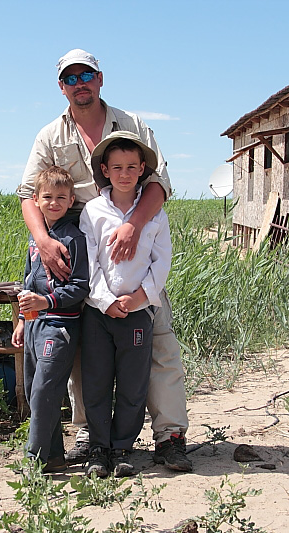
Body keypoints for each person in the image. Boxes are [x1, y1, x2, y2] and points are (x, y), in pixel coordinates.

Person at [17, 48, 192, 472]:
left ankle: (169, 435)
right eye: (70, 78)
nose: (80, 84)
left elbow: (159, 182)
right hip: (79, 247)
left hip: (135, 238)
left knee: (158, 342)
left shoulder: (131, 125)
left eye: (86, 75)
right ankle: (90, 435)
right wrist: (43, 240)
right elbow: (28, 194)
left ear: (100, 78)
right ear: (61, 87)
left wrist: (134, 225)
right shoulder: (50, 135)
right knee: (84, 349)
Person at [78, 131, 171, 478]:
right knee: (96, 381)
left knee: (133, 384)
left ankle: (122, 448)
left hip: (137, 313)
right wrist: (104, 300)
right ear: (105, 170)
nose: (124, 174)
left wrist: (138, 298)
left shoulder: (155, 215)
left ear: (143, 168)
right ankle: (98, 449)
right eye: (116, 167)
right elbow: (89, 262)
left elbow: (161, 263)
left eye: (132, 166)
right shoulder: (93, 211)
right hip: (98, 313)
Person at [11, 166, 90, 473]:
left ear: (71, 200)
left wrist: (46, 301)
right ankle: (53, 456)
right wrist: (22, 319)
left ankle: (34, 459)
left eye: (60, 197)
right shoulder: (36, 239)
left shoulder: (74, 238)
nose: (54, 203)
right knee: (34, 390)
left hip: (60, 326)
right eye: (47, 197)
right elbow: (28, 280)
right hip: (34, 324)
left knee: (45, 391)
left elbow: (80, 286)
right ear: (36, 199)